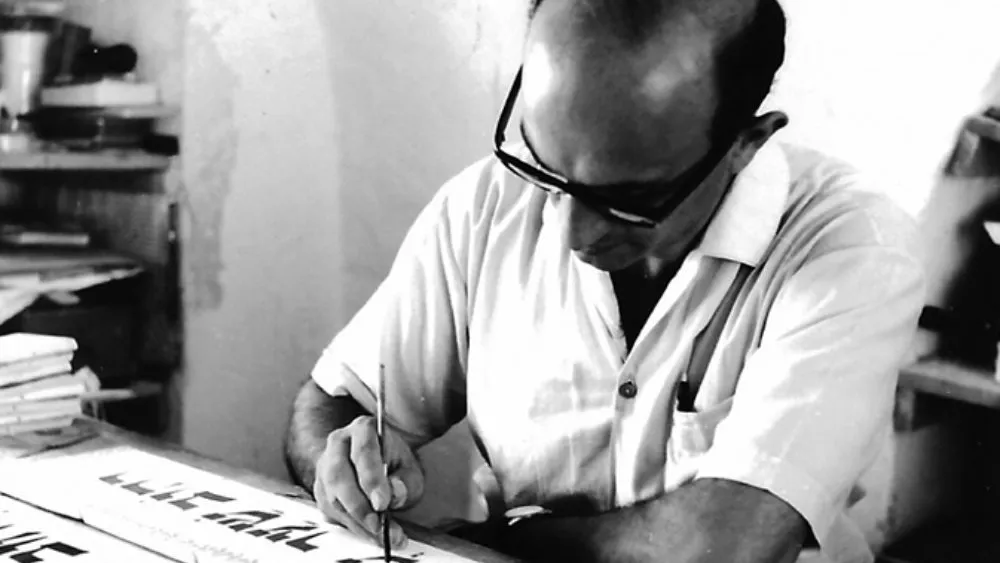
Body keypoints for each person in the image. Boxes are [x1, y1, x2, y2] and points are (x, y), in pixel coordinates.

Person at [285, 0, 925, 561]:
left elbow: (724, 548)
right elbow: (329, 403)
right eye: (545, 165)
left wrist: (495, 542)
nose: (568, 233)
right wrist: (344, 462)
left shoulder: (851, 248)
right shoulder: (487, 203)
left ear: (745, 144)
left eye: (630, 199)